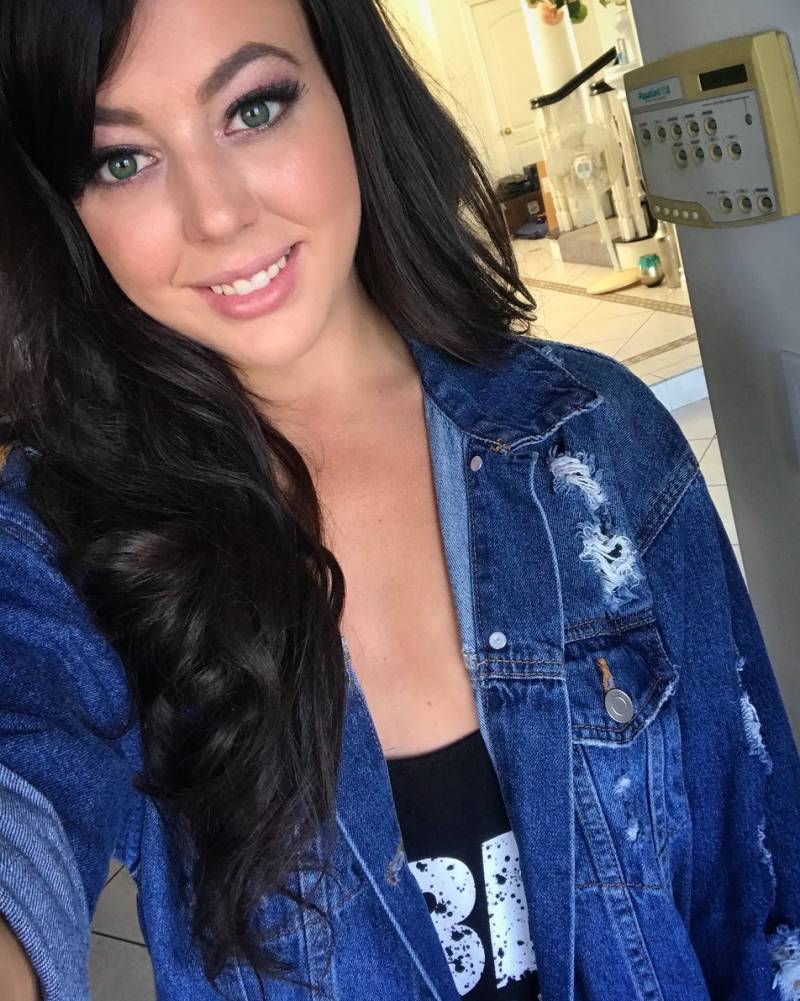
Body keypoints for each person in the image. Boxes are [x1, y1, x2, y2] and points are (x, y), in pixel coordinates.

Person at [0, 0, 798, 999]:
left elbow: (763, 894)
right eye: (122, 160)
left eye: (254, 108)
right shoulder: (67, 540)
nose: (216, 215)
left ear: (346, 87)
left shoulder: (598, 438)